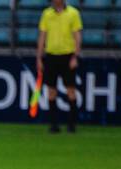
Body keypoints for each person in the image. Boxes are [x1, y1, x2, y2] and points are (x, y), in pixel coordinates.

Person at [36, 0, 83, 133]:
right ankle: (53, 124)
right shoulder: (46, 14)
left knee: (71, 90)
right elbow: (42, 36)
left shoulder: (73, 13)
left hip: (67, 56)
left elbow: (77, 36)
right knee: (51, 91)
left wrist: (75, 56)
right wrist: (39, 57)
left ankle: (72, 124)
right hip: (51, 56)